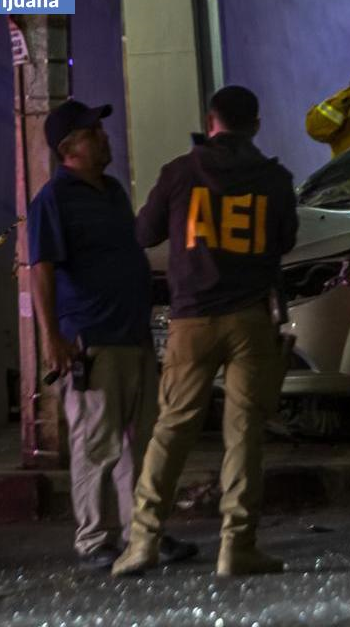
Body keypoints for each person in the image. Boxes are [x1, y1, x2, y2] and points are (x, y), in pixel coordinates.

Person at [113, 86, 299, 578]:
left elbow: (144, 233)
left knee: (171, 430)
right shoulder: (275, 179)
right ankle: (236, 546)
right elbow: (286, 240)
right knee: (244, 436)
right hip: (251, 319)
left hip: (191, 319)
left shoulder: (179, 173)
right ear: (255, 124)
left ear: (209, 120)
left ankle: (143, 542)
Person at [27, 99, 197, 572]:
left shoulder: (114, 192)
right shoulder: (53, 200)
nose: (104, 137)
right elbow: (40, 271)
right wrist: (52, 338)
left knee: (141, 444)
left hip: (133, 335)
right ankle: (94, 539)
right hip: (91, 339)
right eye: (92, 133)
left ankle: (143, 533)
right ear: (69, 148)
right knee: (97, 444)